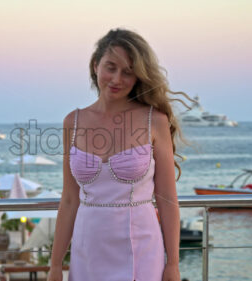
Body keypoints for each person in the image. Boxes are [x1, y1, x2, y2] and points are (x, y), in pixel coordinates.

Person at [48, 28, 188, 281]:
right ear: (95, 66)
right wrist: (55, 265)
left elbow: (167, 198)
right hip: (87, 249)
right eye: (110, 67)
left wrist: (173, 264)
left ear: (138, 76)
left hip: (141, 247)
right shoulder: (73, 121)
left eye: (128, 71)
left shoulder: (153, 121)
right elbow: (69, 200)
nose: (117, 79)